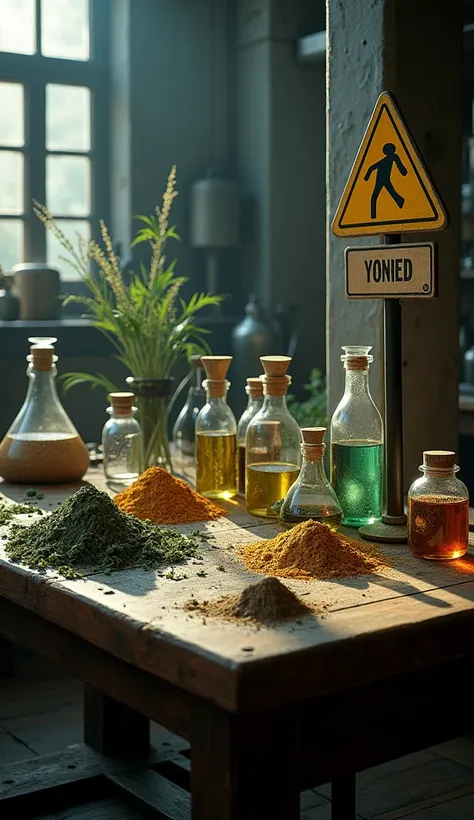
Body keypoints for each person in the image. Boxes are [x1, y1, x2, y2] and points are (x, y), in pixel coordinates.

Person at [364, 142, 408, 219]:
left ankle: (373, 217)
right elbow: (371, 168)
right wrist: (366, 177)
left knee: (375, 196)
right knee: (387, 193)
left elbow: (399, 164)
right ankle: (400, 201)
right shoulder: (387, 159)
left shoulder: (393, 157)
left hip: (383, 179)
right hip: (381, 179)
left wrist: (403, 171)